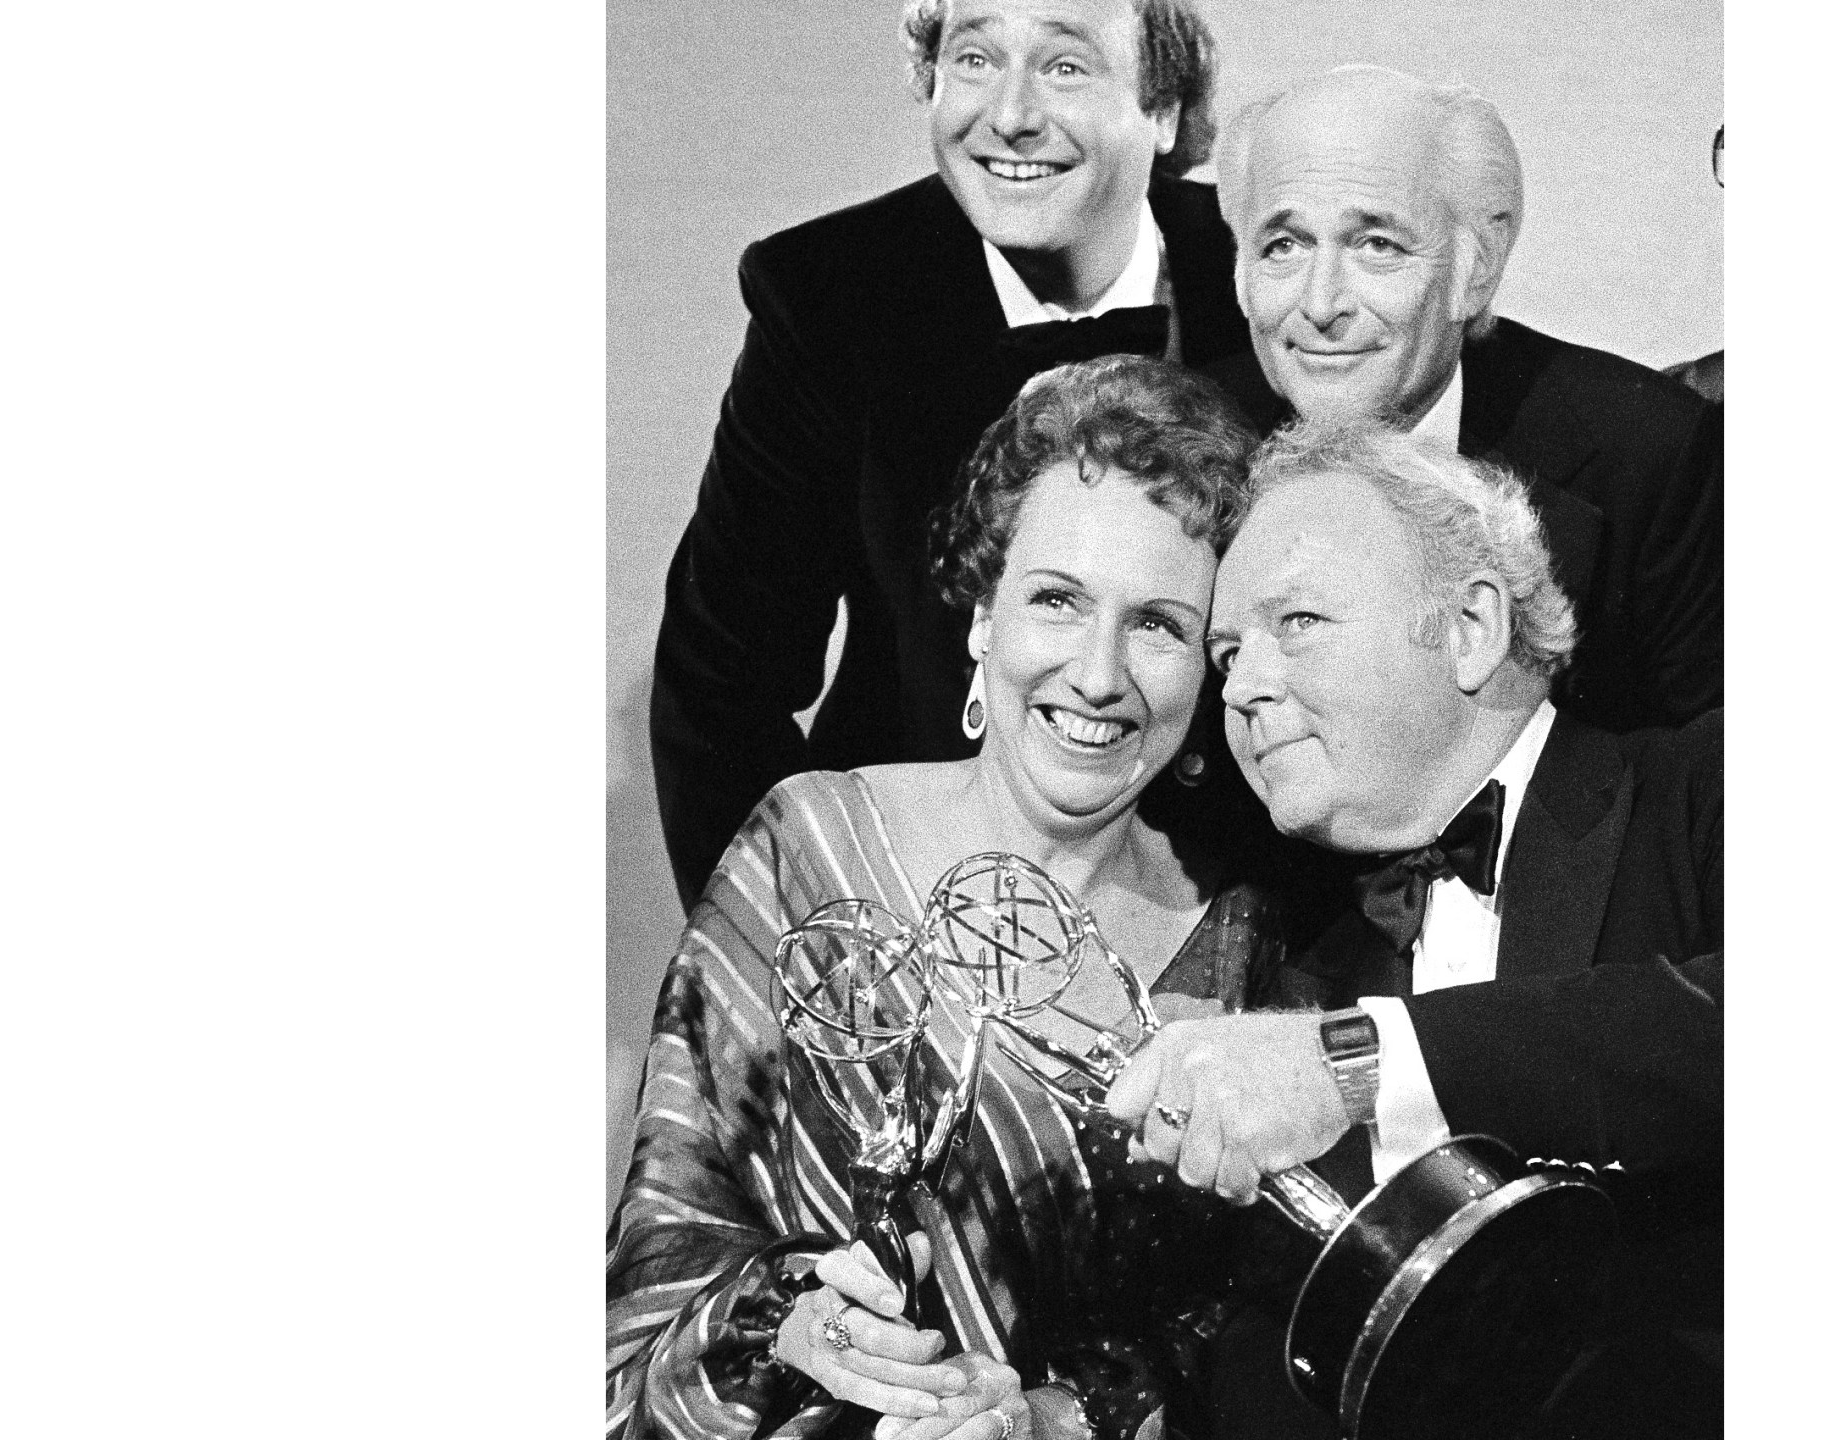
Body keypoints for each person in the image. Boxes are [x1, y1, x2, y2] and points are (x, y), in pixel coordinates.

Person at [610, 358, 1311, 1440]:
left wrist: (1051, 1416)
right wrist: (791, 1325)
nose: (1095, 673)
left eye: (1159, 625)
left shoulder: (1247, 952)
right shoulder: (808, 851)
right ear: (982, 619)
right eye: (1057, 601)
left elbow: (1233, 1342)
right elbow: (663, 1264)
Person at [1109, 419, 1722, 1437]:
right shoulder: (1296, 971)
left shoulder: (1702, 789)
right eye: (1225, 654)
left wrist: (1360, 1064)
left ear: (1471, 627)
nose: (1245, 687)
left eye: (1296, 620)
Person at [649, 0, 1254, 912]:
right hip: (910, 894)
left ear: (1163, 107)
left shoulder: (1266, 272)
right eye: (973, 59)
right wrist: (818, 956)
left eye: (1063, 66)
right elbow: (717, 687)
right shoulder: (828, 294)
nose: (1008, 115)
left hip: (1212, 888)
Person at [1203, 64, 1724, 738]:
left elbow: (1705, 795)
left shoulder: (1650, 453)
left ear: (1477, 265)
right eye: (1283, 245)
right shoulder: (1187, 444)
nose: (1321, 303)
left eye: (1377, 246)